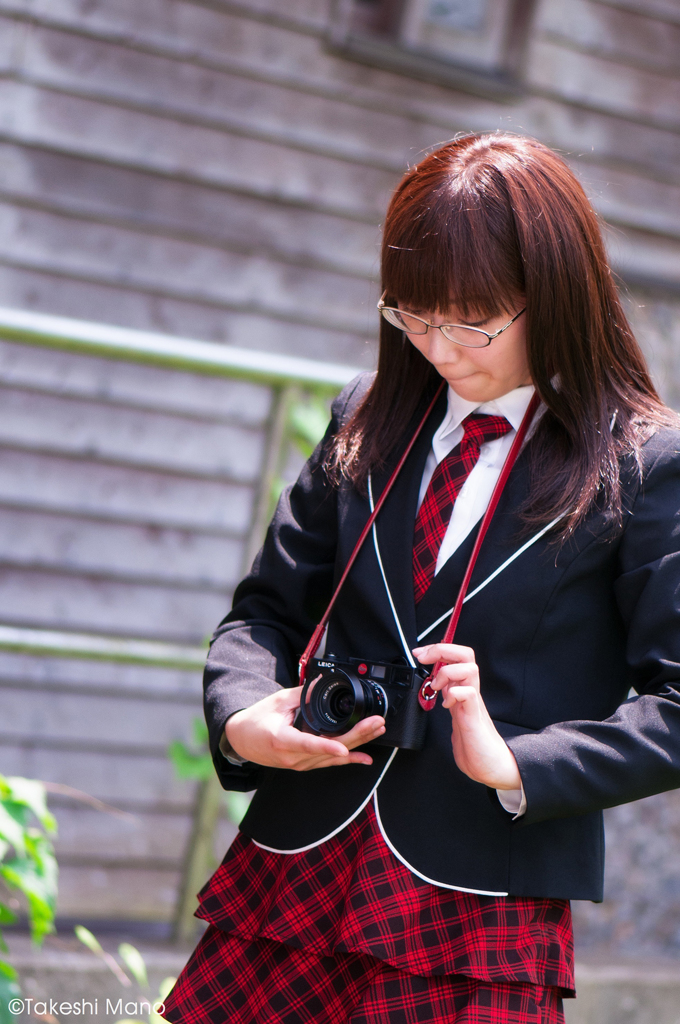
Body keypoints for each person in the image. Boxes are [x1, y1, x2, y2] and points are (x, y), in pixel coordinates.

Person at [161, 133, 680, 1024]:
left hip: (479, 894)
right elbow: (263, 617)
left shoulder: (644, 463)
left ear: (556, 291)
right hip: (296, 859)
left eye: (472, 320)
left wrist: (518, 761)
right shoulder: (365, 418)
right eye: (413, 314)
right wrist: (246, 716)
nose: (439, 346)